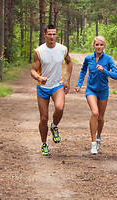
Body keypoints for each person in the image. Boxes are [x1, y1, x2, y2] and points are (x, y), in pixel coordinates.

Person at [31, 24, 73, 156]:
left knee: (59, 108)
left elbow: (69, 62)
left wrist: (67, 80)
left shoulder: (63, 49)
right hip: (43, 87)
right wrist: (39, 77)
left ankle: (54, 126)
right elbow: (33, 70)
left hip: (57, 85)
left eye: (54, 34)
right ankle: (44, 144)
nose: (52, 37)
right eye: (49, 34)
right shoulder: (39, 51)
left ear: (57, 35)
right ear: (44, 35)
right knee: (43, 118)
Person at [75, 36, 117, 155]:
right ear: (93, 46)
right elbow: (83, 70)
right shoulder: (88, 58)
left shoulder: (108, 59)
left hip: (103, 91)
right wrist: (79, 84)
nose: (99, 47)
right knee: (94, 113)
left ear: (104, 46)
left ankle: (99, 136)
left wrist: (104, 70)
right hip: (91, 90)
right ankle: (93, 143)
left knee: (100, 117)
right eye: (97, 45)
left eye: (101, 45)